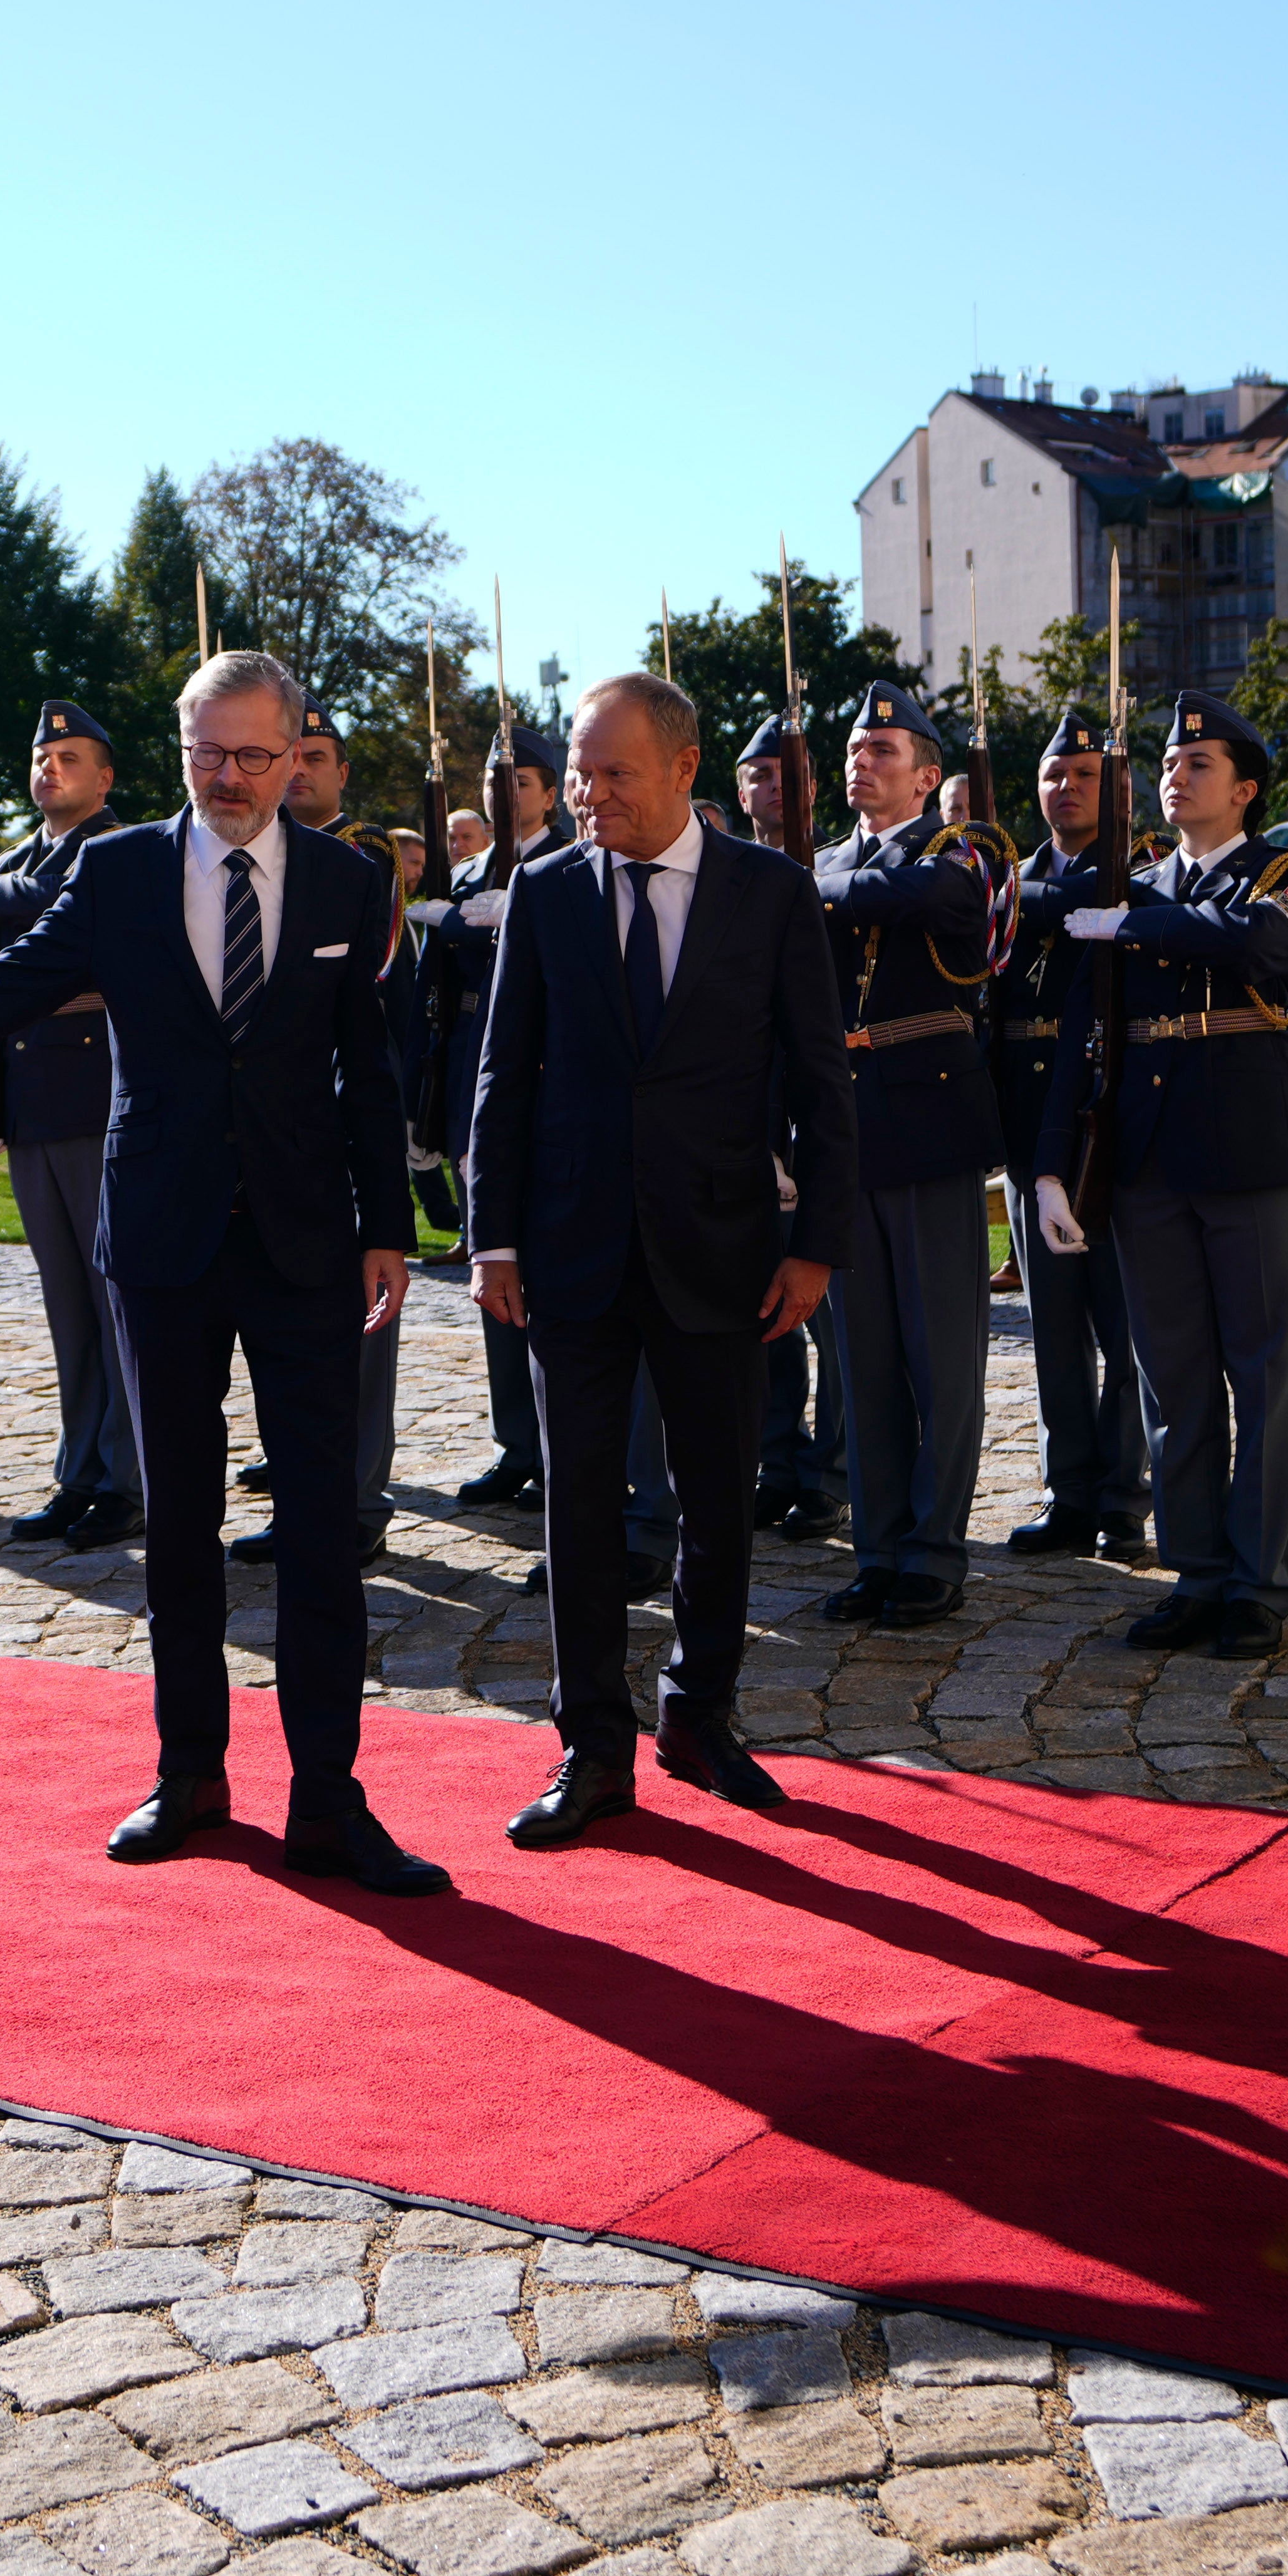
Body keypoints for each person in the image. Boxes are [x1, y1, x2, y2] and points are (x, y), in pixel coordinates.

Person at [0, 650, 439, 1894]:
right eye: (207, 752)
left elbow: (370, 1067)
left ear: (292, 756)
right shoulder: (118, 872)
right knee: (179, 1523)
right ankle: (189, 1774)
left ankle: (329, 1799)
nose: (228, 776)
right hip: (158, 1239)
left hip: (306, 1242)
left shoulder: (346, 879)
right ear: (180, 750)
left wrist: (388, 1222)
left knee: (320, 1530)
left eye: (253, 755)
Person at [470, 669, 852, 1847]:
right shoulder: (545, 891)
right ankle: (591, 1745)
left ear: (685, 768)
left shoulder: (769, 892)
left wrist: (815, 1245)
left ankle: (700, 1713)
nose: (587, 794)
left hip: (721, 1249)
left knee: (718, 1499)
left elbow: (820, 1080)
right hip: (570, 1251)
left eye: (613, 773)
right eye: (580, 772)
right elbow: (503, 1073)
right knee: (580, 1503)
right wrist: (492, 1238)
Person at [1032, 697, 1288, 1658]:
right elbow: (1081, 1035)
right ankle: (1197, 1572)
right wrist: (1050, 1166)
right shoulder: (1126, 888)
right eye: (1167, 761)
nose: (1175, 774)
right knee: (1173, 1381)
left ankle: (1257, 1582)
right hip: (1148, 1160)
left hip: (1252, 1153)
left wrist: (1132, 923)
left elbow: (1264, 945)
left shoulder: (1286, 875)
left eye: (1197, 762)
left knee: (1264, 1377)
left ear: (1245, 789)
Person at [810, 679, 1007, 1627]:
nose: (863, 761)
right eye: (855, 748)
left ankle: (934, 1550)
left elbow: (920, 895)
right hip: (845, 1129)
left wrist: (806, 886)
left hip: (929, 1126)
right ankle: (878, 1548)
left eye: (882, 750)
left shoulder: (959, 851)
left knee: (941, 1357)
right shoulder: (820, 863)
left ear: (928, 776)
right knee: (866, 1360)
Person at [0, 699, 142, 1546]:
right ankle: (80, 1471)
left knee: (114, 1301)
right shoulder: (16, 861)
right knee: (66, 1305)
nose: (50, 769)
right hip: (29, 1101)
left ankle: (128, 1477)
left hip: (97, 1098)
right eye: (41, 757)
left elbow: (51, 896)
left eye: (70, 757)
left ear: (105, 777)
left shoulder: (118, 848)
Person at [238, 694, 413, 1570]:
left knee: (358, 1322)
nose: (300, 770)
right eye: (290, 755)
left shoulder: (360, 853)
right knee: (290, 1327)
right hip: (277, 1128)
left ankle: (357, 1498)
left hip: (345, 1105)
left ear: (341, 772)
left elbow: (369, 987)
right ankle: (303, 1487)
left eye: (316, 758)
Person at [998, 711, 1149, 1558]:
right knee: (1053, 1327)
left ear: (1116, 787)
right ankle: (1070, 1491)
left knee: (1121, 1327)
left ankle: (1123, 1495)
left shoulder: (1136, 874)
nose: (1067, 787)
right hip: (1029, 1123)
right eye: (1054, 774)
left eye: (1085, 775)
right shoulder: (1013, 879)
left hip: (1105, 1120)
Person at [427, 718, 569, 1506]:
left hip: (546, 1087)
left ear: (550, 795)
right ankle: (516, 1443)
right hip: (473, 1083)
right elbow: (439, 1005)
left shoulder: (570, 862)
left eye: (518, 781)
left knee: (551, 1273)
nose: (503, 793)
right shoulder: (465, 873)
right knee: (493, 1267)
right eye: (493, 781)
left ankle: (561, 1447)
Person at [734, 716, 851, 1541]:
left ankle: (831, 1474)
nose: (776, 786)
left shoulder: (841, 871)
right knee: (759, 1317)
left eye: (789, 772)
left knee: (834, 1321)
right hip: (746, 1116)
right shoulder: (720, 877)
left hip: (820, 1109)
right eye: (760, 774)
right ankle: (773, 1464)